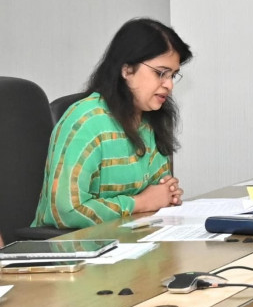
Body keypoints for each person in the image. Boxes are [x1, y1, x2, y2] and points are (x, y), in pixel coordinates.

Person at [32, 18, 190, 229]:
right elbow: (65, 211)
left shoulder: (150, 120)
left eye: (173, 75)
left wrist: (166, 195)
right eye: (160, 73)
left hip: (131, 237)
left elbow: (159, 192)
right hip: (72, 245)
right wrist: (140, 203)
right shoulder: (86, 121)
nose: (169, 85)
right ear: (127, 70)